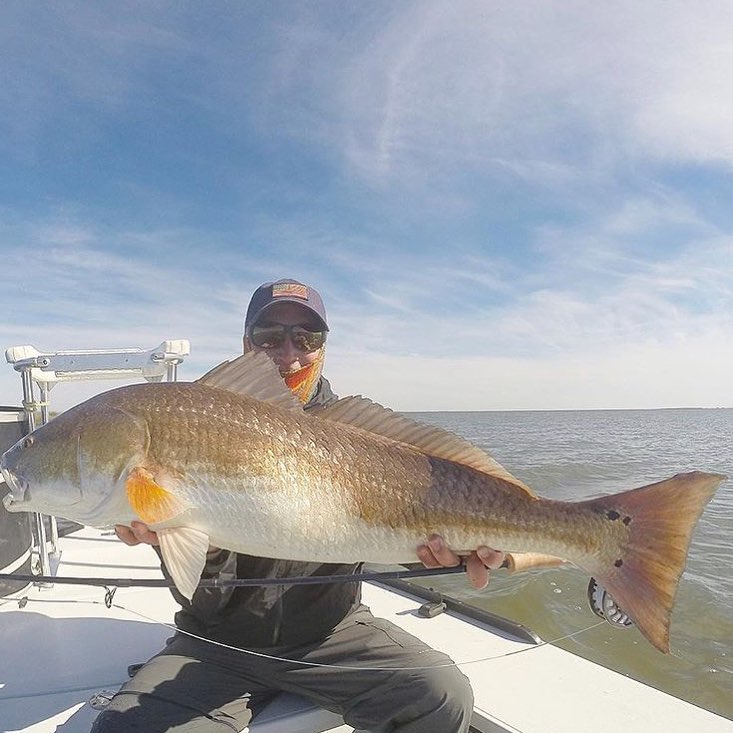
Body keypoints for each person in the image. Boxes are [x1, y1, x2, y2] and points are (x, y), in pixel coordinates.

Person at [92, 278, 505, 733]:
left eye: (306, 338)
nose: (288, 352)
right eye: (269, 336)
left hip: (332, 633)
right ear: (246, 343)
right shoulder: (197, 417)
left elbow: (392, 527)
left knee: (442, 696)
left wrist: (445, 553)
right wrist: (196, 546)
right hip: (215, 644)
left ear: (323, 347)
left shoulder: (359, 436)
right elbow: (202, 595)